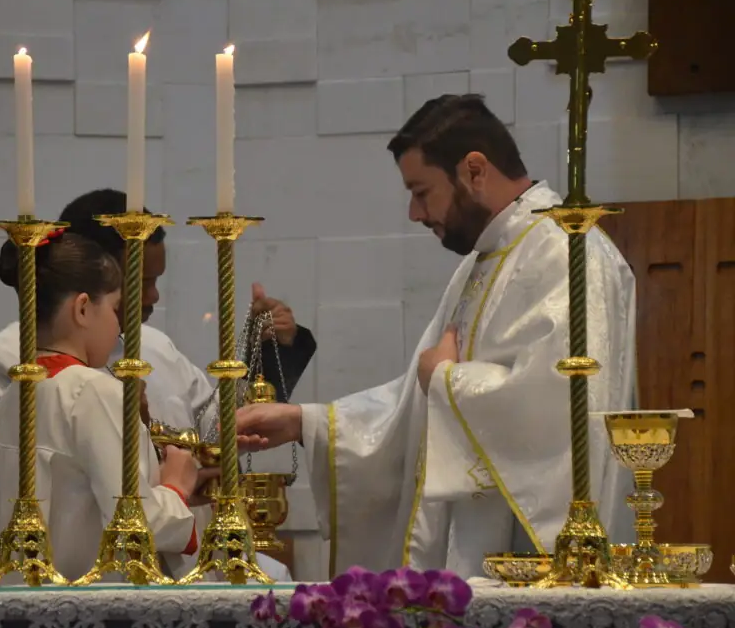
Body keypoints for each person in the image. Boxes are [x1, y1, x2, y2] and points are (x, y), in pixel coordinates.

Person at [236, 94, 637, 578]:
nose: (413, 213)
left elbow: (562, 410)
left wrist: (446, 379)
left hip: (542, 564)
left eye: (421, 191)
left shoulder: (566, 253)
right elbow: (416, 403)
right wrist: (307, 422)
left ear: (473, 170)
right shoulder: (484, 258)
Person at [0, 188, 315, 582]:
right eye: (141, 281)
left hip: (147, 569)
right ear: (92, 275)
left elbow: (210, 425)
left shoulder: (154, 348)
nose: (154, 296)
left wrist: (262, 356)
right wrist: (120, 445)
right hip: (84, 570)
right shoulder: (8, 361)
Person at [0, 232, 216, 580]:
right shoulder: (94, 390)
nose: (120, 325)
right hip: (81, 605)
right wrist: (177, 485)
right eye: (116, 308)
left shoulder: (18, 391)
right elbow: (135, 524)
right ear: (83, 308)